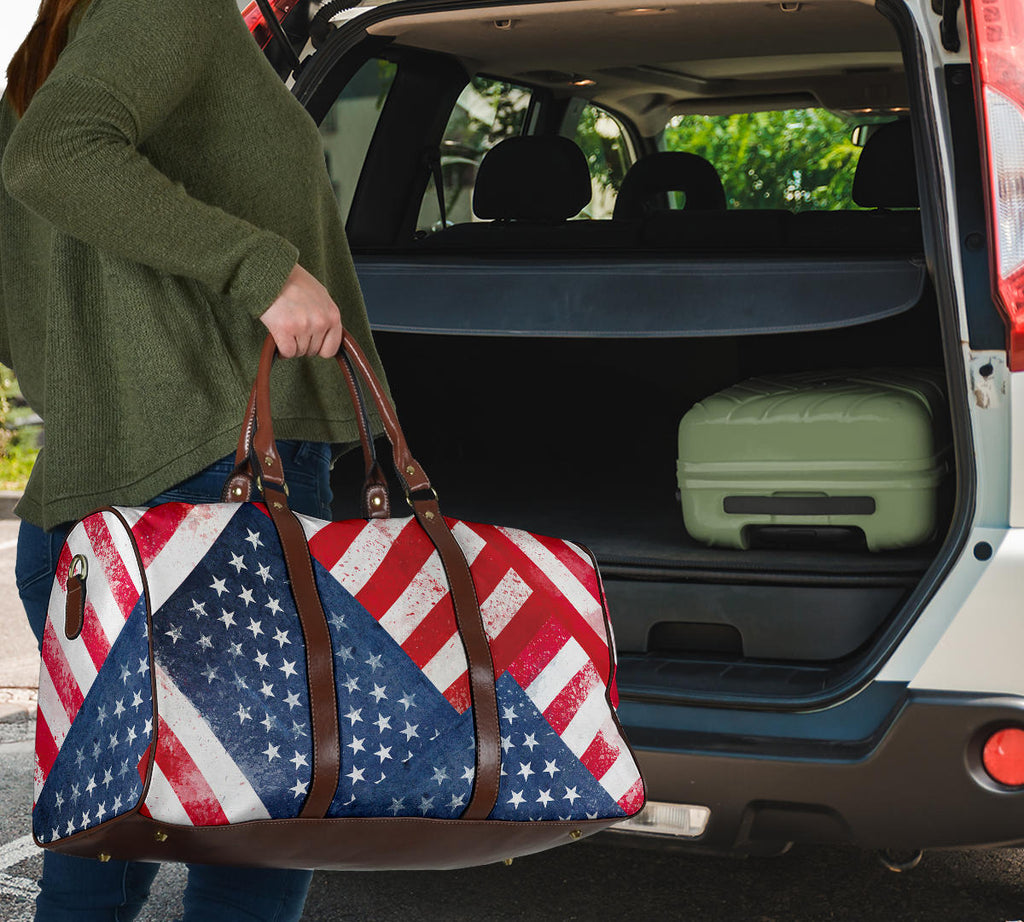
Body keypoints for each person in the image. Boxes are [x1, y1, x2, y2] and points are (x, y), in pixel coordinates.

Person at [0, 0, 388, 918]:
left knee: (103, 849)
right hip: (221, 486)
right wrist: (262, 266)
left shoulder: (43, 60)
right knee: (255, 833)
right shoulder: (164, 8)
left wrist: (96, 395)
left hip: (98, 508)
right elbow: (56, 157)